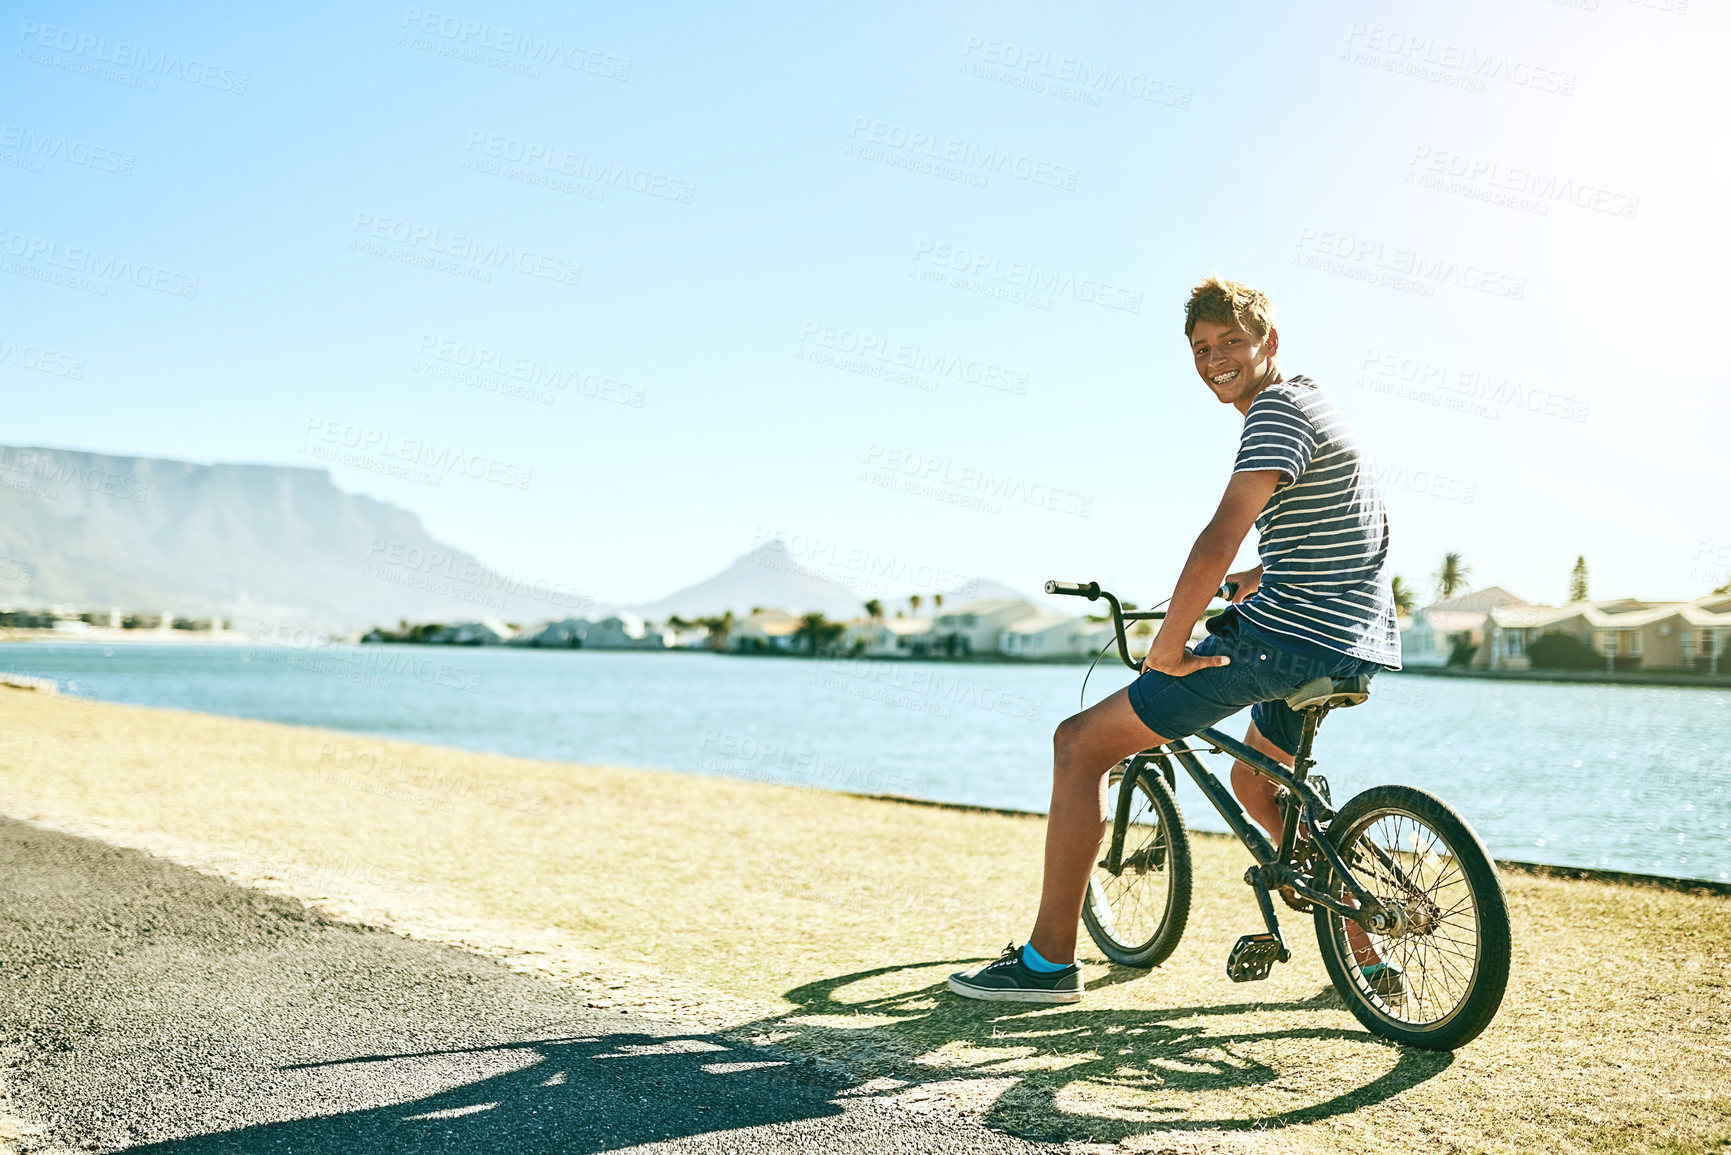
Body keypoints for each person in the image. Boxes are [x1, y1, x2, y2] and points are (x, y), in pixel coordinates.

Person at [948, 274, 1403, 1005]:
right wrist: (1265, 572)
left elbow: (1217, 533)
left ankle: (1045, 963)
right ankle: (1368, 952)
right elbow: (1354, 527)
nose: (1214, 359)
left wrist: (1169, 643)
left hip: (1282, 643)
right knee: (1256, 779)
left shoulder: (1274, 413)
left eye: (1230, 342)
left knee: (1078, 743)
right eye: (1200, 348)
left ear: (1269, 343)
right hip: (1349, 640)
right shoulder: (1317, 403)